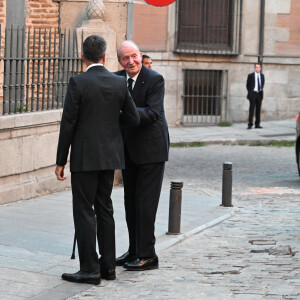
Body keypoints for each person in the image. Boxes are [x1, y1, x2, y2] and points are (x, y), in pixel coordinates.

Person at [55, 35, 139, 285]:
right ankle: (108, 268)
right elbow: (133, 119)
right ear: (105, 57)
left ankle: (90, 269)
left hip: (84, 157)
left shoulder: (78, 83)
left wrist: (61, 160)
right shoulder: (118, 83)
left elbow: (68, 124)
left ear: (83, 57)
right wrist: (114, 126)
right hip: (110, 156)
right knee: (105, 209)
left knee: (83, 210)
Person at [115, 41, 169, 271]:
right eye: (125, 58)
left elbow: (152, 113)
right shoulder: (116, 79)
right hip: (127, 152)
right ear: (120, 61)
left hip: (151, 152)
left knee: (145, 205)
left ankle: (148, 256)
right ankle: (134, 250)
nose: (131, 61)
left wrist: (124, 112)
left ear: (140, 55)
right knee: (130, 204)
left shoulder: (155, 79)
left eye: (134, 56)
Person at [246, 63, 265, 129]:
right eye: (256, 67)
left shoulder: (262, 76)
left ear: (260, 68)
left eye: (259, 67)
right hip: (253, 94)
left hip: (259, 94)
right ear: (254, 68)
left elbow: (262, 84)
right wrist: (250, 93)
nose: (257, 68)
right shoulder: (250, 75)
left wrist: (260, 91)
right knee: (251, 110)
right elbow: (248, 85)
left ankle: (257, 124)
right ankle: (250, 124)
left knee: (258, 110)